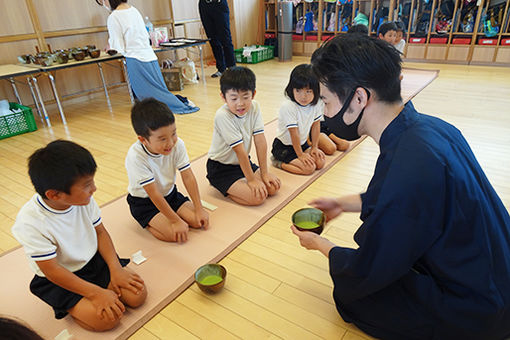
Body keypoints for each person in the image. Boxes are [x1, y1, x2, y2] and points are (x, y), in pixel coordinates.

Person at [291, 34, 510, 339]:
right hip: (497, 272)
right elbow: (400, 198)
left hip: (479, 309)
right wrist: (342, 203)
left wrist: (322, 246)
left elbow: (370, 266)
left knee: (354, 295)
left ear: (359, 98)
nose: (325, 113)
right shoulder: (427, 128)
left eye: (326, 101)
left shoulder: (410, 167)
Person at [11, 140, 147, 331]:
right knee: (107, 320)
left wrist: (116, 269)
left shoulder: (84, 199)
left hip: (92, 261)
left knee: (137, 296)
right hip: (61, 276)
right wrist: (94, 293)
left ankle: (101, 290)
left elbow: (100, 232)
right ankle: (79, 303)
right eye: (86, 185)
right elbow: (52, 270)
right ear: (55, 195)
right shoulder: (30, 222)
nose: (94, 189)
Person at [126, 98, 209, 243]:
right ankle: (147, 222)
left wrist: (199, 207)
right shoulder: (136, 156)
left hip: (170, 195)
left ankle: (170, 217)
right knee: (175, 235)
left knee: (197, 221)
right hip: (145, 203)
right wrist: (175, 221)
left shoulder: (178, 144)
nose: (170, 143)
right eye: (162, 139)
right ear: (143, 140)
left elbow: (188, 176)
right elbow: (154, 194)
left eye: (173, 134)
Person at [98, 0, 199, 114]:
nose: (103, 4)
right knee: (159, 91)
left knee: (148, 95)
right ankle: (181, 101)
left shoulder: (114, 17)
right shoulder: (133, 10)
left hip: (136, 60)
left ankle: (179, 104)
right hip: (150, 56)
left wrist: (110, 45)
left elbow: (118, 46)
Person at [206, 66, 281, 205]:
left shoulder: (255, 107)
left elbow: (260, 141)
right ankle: (226, 187)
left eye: (245, 97)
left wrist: (264, 173)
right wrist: (251, 180)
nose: (240, 104)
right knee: (258, 197)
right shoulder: (222, 116)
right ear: (223, 97)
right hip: (221, 168)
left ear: (253, 94)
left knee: (272, 188)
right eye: (233, 98)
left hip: (242, 162)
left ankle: (242, 182)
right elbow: (239, 151)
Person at [271, 64, 327, 175]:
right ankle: (278, 162)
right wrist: (300, 155)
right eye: (298, 91)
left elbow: (316, 126)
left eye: (308, 91)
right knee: (308, 169)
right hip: (284, 146)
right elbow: (294, 133)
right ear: (291, 89)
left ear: (316, 91)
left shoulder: (316, 104)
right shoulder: (288, 107)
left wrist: (314, 147)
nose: (303, 96)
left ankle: (300, 155)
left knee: (320, 163)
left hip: (301, 143)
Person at [198, 0, 236, 78]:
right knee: (212, 39)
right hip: (204, 5)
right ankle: (221, 69)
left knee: (226, 38)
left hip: (219, 4)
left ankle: (232, 68)